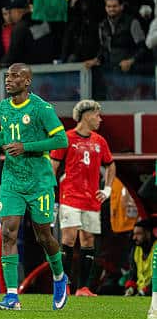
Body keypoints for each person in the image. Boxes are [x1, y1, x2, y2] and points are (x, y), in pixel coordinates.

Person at [0, 63, 69, 311]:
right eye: (7, 76)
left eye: (15, 76)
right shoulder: (3, 107)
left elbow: (61, 139)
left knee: (43, 235)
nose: (8, 80)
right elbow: (5, 135)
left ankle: (59, 277)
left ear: (27, 81)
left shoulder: (41, 108)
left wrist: (26, 147)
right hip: (12, 180)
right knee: (9, 232)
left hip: (39, 181)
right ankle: (12, 296)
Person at [50, 100, 115, 296]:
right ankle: (64, 286)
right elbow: (53, 167)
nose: (100, 119)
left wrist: (108, 189)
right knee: (69, 238)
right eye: (96, 115)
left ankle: (83, 287)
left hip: (91, 199)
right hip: (69, 196)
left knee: (88, 241)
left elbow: (110, 165)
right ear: (86, 116)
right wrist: (50, 196)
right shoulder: (66, 138)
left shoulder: (99, 141)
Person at [124, 219, 156, 299]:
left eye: (138, 234)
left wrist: (145, 291)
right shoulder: (136, 249)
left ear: (148, 233)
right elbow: (132, 273)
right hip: (140, 291)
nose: (134, 238)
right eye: (134, 234)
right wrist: (130, 288)